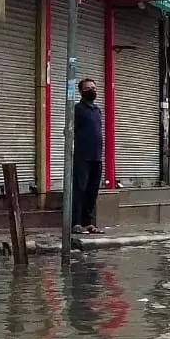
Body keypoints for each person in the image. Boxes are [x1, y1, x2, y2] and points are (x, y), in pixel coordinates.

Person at [73, 77, 104, 234]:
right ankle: (76, 223)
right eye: (88, 88)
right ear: (81, 91)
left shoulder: (97, 110)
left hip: (96, 157)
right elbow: (71, 131)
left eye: (94, 87)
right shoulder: (77, 109)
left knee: (92, 191)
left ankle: (88, 222)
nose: (92, 90)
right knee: (80, 190)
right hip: (82, 157)